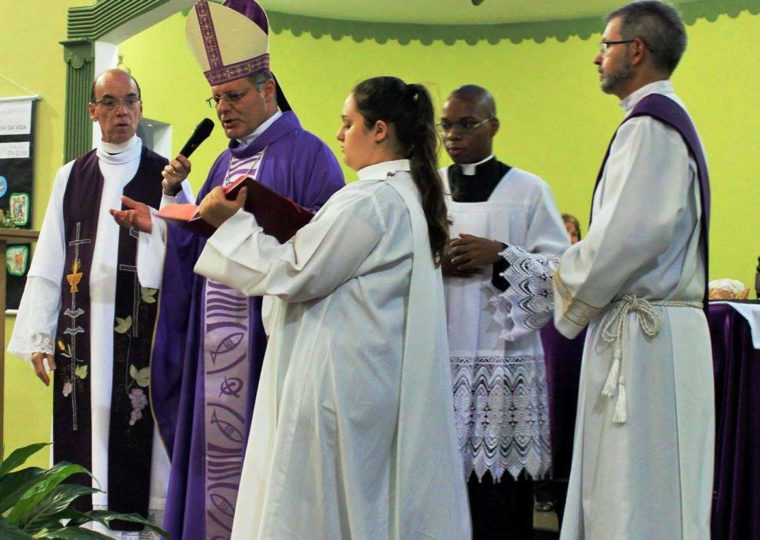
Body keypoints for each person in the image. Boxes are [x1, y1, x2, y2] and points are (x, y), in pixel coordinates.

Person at [186, 75, 470, 539]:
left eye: (347, 123)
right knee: (360, 507)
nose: (339, 135)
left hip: (337, 385)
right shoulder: (405, 195)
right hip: (368, 379)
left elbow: (293, 273)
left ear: (379, 130)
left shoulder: (371, 200)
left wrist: (229, 224)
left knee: (318, 511)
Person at [111, 2, 344, 537]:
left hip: (269, 348)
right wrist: (163, 223)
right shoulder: (220, 163)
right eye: (215, 97)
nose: (222, 108)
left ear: (269, 88)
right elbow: (201, 251)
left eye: (233, 96)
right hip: (214, 351)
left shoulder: (311, 157)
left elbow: (322, 255)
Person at [554, 2, 712, 538]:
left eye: (605, 45)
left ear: (636, 51)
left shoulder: (649, 128)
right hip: (660, 333)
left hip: (645, 344)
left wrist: (556, 281)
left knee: (635, 493)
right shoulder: (668, 121)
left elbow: (625, 241)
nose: (596, 57)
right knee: (651, 488)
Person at [9, 69, 190, 537]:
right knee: (85, 437)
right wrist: (38, 335)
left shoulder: (165, 175)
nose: (121, 111)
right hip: (82, 333)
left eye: (130, 100)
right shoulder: (71, 176)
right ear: (93, 112)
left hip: (144, 336)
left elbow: (191, 253)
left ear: (141, 107)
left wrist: (170, 203)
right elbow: (50, 256)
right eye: (109, 102)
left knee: (139, 444)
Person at [438, 84, 569, 538]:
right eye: (447, 125)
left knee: (499, 499)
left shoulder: (529, 190)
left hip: (504, 355)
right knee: (440, 483)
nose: (454, 135)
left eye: (467, 124)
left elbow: (560, 271)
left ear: (493, 125)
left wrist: (501, 256)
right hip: (441, 351)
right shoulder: (427, 188)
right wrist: (438, 264)